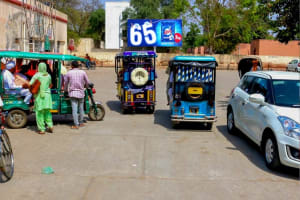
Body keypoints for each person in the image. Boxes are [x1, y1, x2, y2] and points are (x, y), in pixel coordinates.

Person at [64, 61, 90, 129]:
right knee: (81, 108)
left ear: (72, 66)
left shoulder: (69, 73)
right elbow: (87, 82)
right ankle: (81, 123)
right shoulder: (83, 72)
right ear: (78, 66)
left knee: (74, 109)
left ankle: (76, 124)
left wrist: (65, 91)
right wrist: (86, 87)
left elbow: (66, 83)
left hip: (73, 93)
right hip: (81, 93)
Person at [29, 63, 53, 134]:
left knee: (39, 113)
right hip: (48, 96)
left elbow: (30, 84)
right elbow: (50, 84)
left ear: (38, 67)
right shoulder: (48, 75)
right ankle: (50, 125)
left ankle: (42, 129)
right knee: (47, 112)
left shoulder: (37, 75)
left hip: (40, 96)